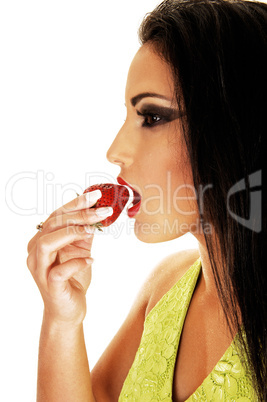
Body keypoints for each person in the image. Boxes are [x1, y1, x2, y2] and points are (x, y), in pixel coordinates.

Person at [27, 0, 266, 400]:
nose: (115, 150)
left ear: (235, 129)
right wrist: (62, 318)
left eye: (151, 117)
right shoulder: (166, 285)